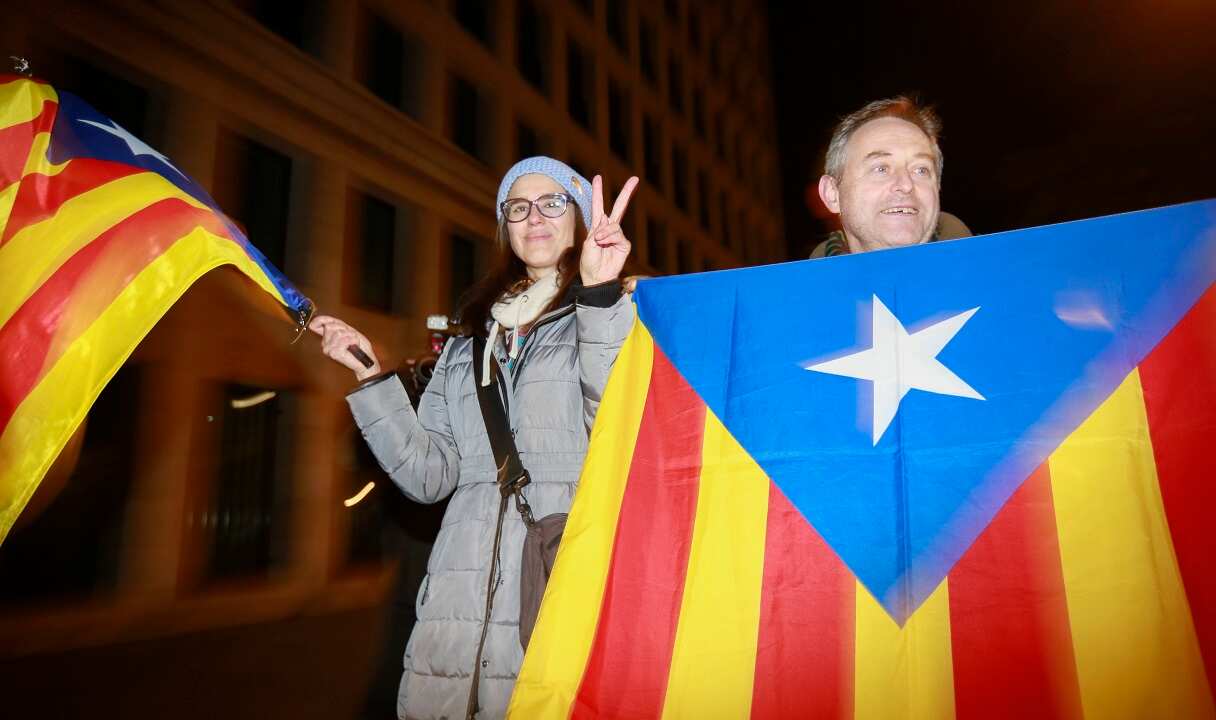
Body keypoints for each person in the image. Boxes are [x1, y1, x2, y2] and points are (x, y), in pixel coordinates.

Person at [311, 157, 638, 720]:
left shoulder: (609, 314)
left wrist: (601, 294)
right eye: (518, 207)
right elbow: (428, 476)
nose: (534, 217)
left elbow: (614, 422)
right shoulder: (468, 344)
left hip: (553, 592)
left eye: (553, 202)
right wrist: (371, 379)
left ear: (581, 219)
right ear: (506, 228)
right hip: (454, 618)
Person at [810, 96, 969, 258]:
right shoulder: (804, 282)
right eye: (881, 169)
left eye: (921, 170)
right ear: (832, 194)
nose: (906, 184)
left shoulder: (986, 277)